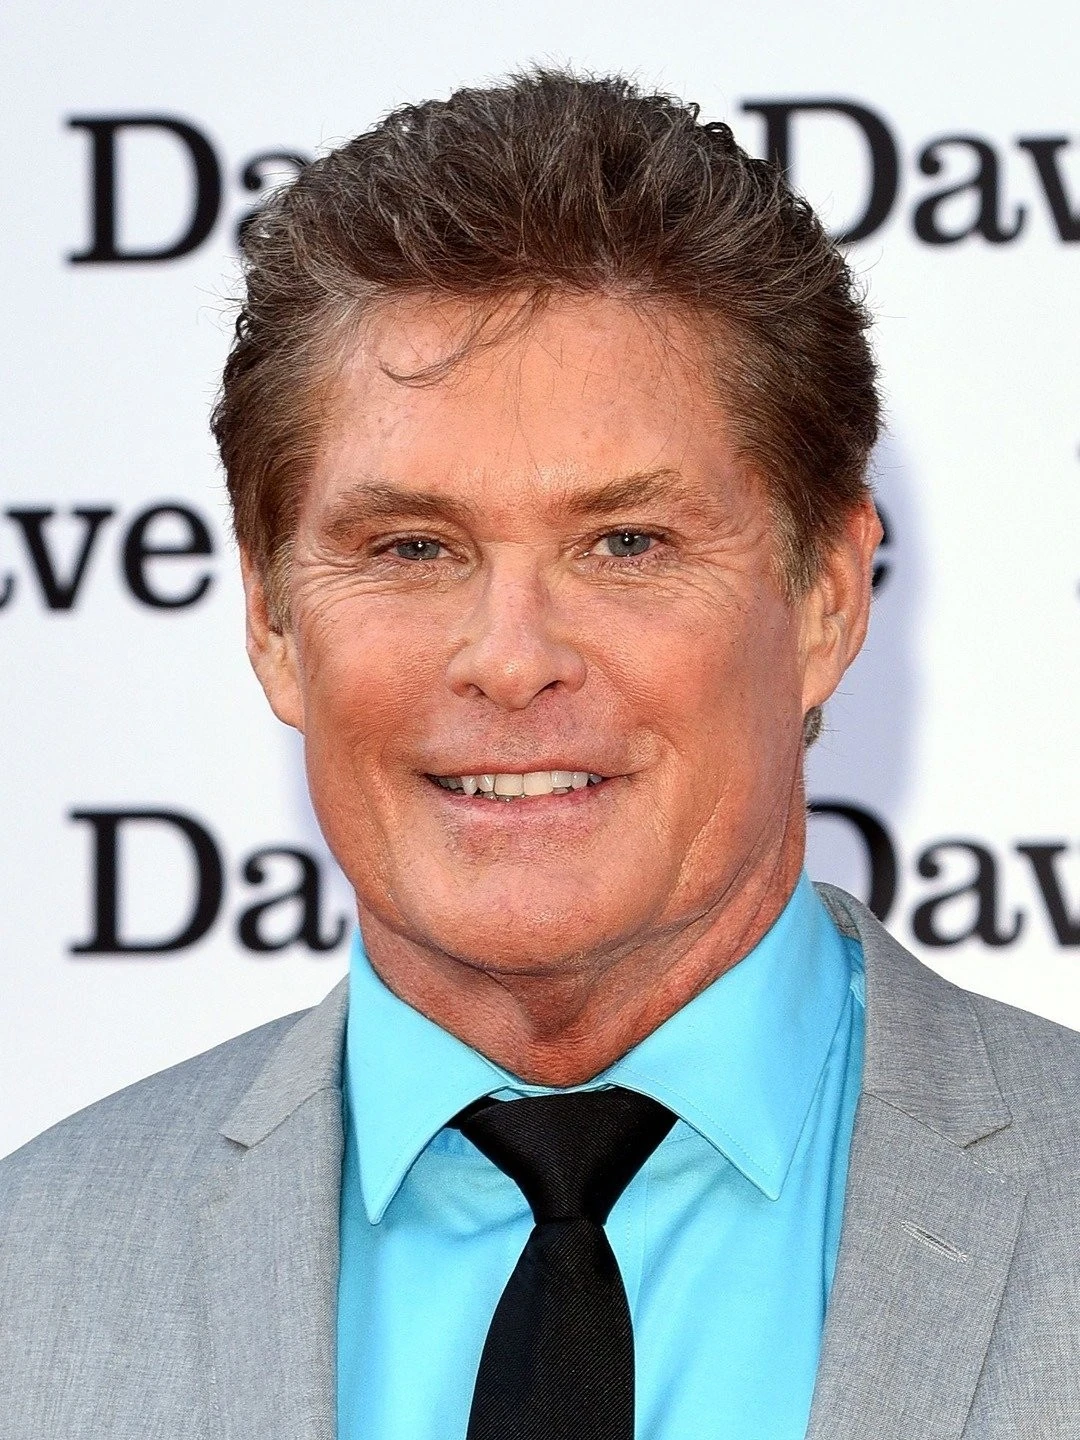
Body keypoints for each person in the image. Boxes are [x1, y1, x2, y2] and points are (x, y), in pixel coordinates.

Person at [2, 69, 1078, 1440]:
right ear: (271, 620)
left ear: (826, 599)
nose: (511, 659)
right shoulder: (32, 1277)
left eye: (626, 543)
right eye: (412, 548)